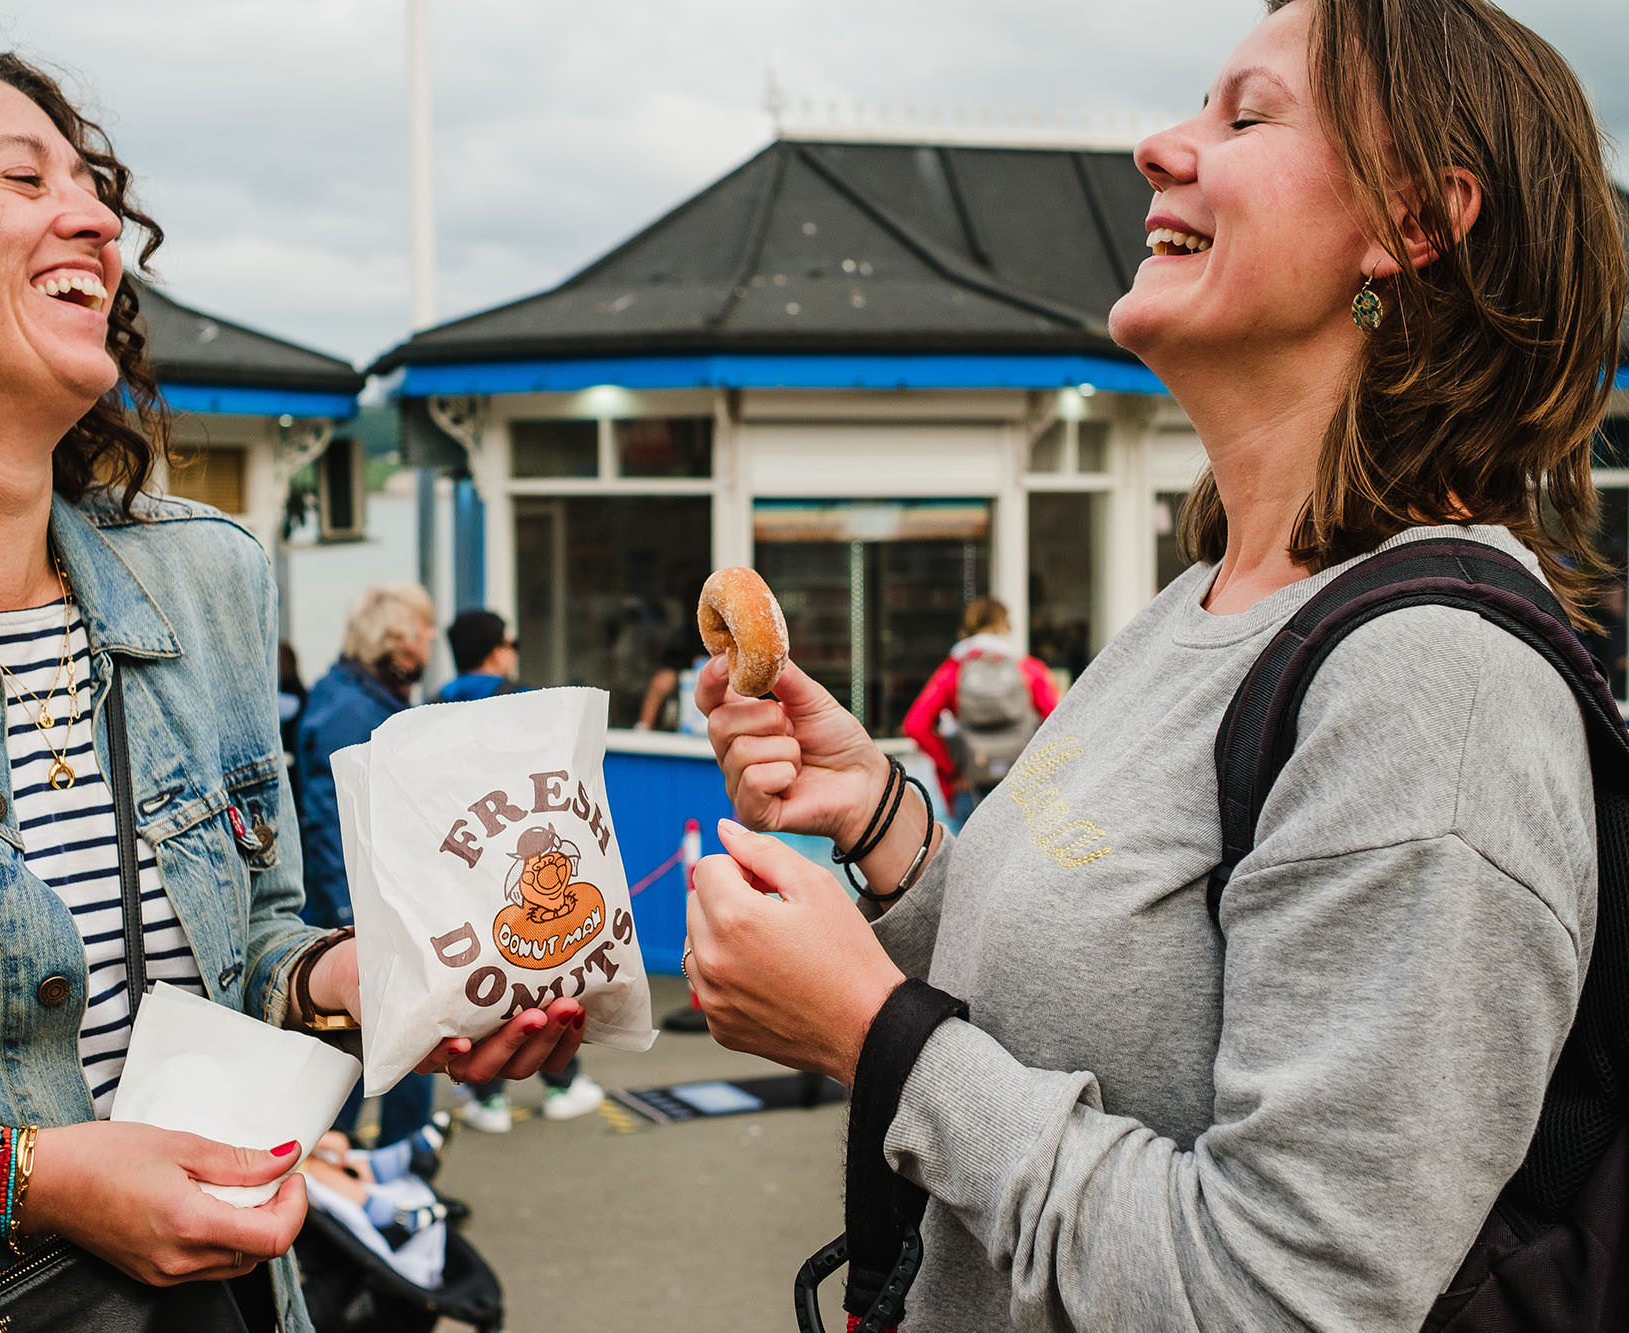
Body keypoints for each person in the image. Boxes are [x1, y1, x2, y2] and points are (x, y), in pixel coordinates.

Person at [683, 1, 1624, 1328]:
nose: (1157, 149)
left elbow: (1288, 1298)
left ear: (1416, 224)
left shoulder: (1435, 690)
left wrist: (870, 1037)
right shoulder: (1203, 600)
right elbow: (1097, 1005)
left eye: (1246, 115)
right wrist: (884, 823)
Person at [0, 44, 584, 1333]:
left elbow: (247, 951)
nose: (93, 215)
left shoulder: (208, 577)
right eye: (23, 178)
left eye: (92, 185)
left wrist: (357, 983)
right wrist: (23, 1184)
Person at [432, 609, 608, 1129]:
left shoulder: (433, 706)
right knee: (544, 973)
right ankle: (563, 1083)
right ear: (496, 649)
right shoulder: (523, 697)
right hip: (525, 858)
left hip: (463, 862)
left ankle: (488, 1100)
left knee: (480, 979)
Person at [295, 583, 452, 1149]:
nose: (433, 637)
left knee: (399, 1042)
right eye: (426, 627)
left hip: (389, 901)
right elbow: (328, 819)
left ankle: (393, 1168)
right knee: (355, 1048)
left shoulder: (368, 696)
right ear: (400, 636)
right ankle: (352, 1185)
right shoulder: (349, 708)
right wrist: (347, 914)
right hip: (364, 911)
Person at [900, 597, 1059, 827]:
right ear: (1005, 627)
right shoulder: (1028, 669)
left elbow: (915, 725)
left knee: (970, 861)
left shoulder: (953, 671)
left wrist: (954, 768)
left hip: (969, 786)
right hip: (1024, 786)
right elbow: (1058, 721)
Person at [432, 608, 523, 703]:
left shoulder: (437, 702)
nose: (514, 653)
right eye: (513, 645)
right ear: (496, 652)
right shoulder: (521, 700)